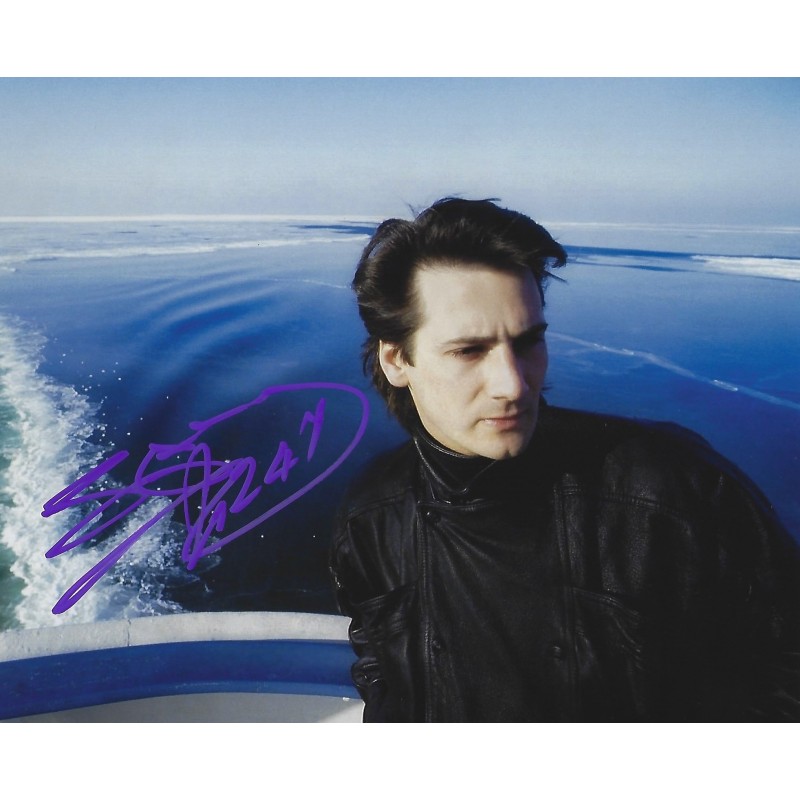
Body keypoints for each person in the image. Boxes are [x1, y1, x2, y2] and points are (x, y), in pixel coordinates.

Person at [329, 197, 800, 722]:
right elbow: (380, 663)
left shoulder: (671, 492)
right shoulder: (372, 516)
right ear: (397, 359)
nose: (513, 385)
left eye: (528, 342)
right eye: (469, 351)